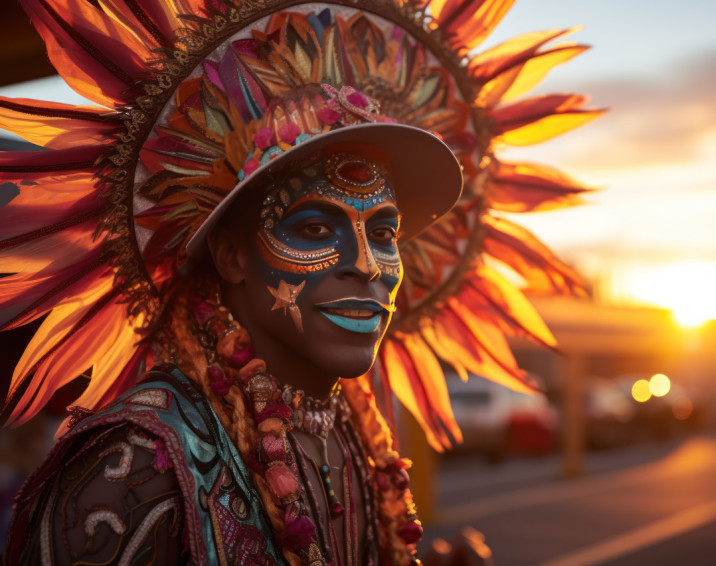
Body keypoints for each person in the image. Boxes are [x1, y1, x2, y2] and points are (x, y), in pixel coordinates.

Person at [1, 0, 597, 564]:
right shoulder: (134, 466)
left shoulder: (353, 433)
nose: (366, 263)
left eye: (385, 233)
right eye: (315, 229)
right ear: (233, 257)